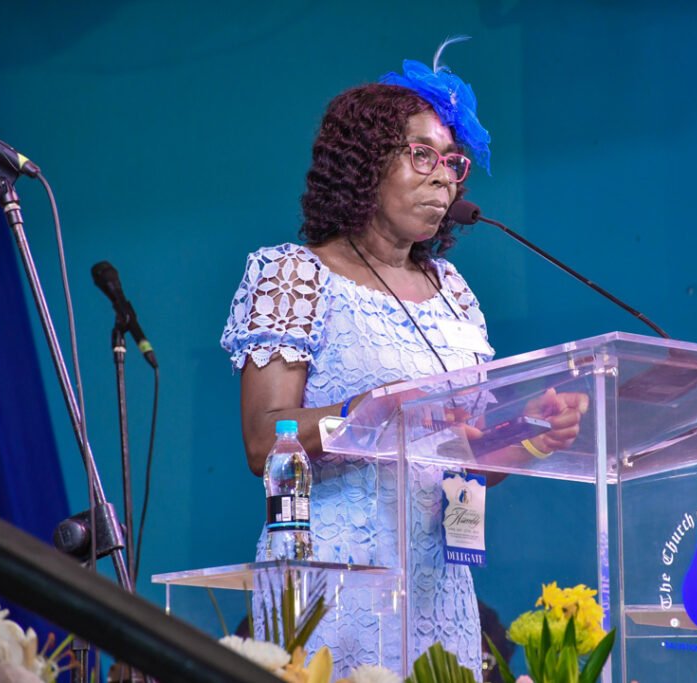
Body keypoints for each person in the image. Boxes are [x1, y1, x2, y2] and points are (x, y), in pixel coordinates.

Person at [221, 39, 587, 676]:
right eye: (422, 155)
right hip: (328, 581)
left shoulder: (454, 292)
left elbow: (465, 463)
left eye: (452, 161)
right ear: (364, 165)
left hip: (439, 585)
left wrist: (528, 433)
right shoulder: (294, 275)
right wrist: (366, 414)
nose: (444, 176)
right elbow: (263, 440)